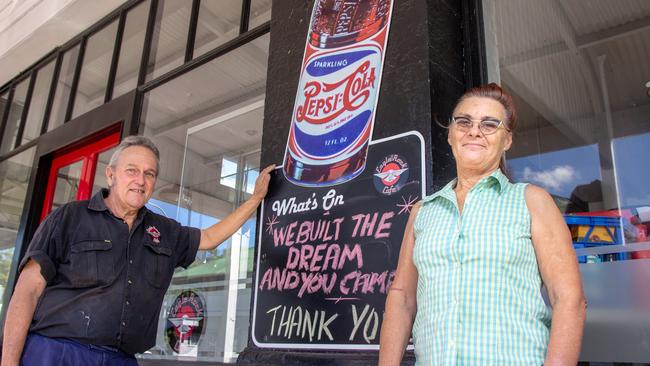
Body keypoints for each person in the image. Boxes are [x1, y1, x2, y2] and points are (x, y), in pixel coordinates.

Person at [1, 136, 275, 366]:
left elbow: (209, 237)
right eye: (131, 170)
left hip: (121, 359)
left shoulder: (163, 230)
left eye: (149, 174)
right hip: (57, 353)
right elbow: (28, 290)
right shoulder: (70, 218)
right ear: (111, 174)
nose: (140, 180)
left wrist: (255, 200)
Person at [378, 83, 586, 365]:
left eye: (490, 124)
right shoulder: (423, 211)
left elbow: (568, 299)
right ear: (450, 134)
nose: (474, 131)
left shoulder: (530, 200)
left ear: (507, 140)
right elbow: (402, 297)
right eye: (464, 122)